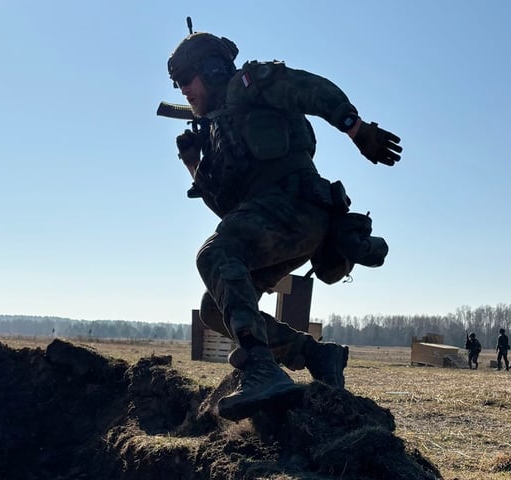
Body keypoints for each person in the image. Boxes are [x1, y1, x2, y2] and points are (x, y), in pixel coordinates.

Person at [165, 27, 402, 421]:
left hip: (299, 206)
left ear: (210, 69)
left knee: (216, 252)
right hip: (273, 222)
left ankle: (260, 367)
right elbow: (229, 211)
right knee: (213, 308)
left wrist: (356, 129)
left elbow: (310, 88)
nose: (183, 92)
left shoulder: (250, 86)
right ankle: (316, 355)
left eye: (186, 80)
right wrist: (195, 166)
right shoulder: (218, 131)